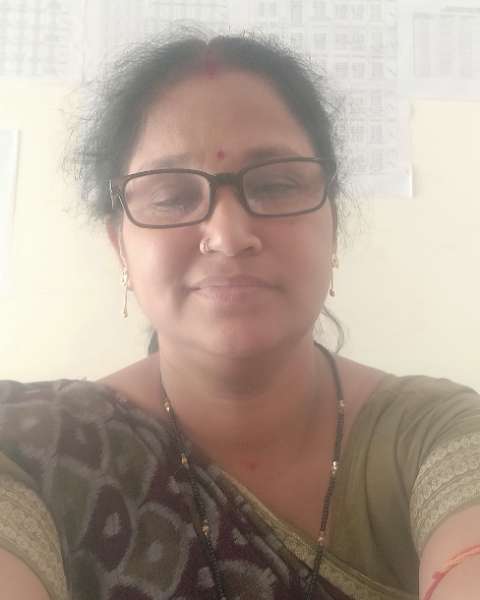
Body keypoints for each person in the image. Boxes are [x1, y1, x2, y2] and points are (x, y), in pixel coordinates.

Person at [0, 32, 479, 600]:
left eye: (276, 185)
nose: (228, 236)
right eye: (173, 196)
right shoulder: (36, 448)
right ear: (120, 246)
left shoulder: (435, 434)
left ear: (332, 225)